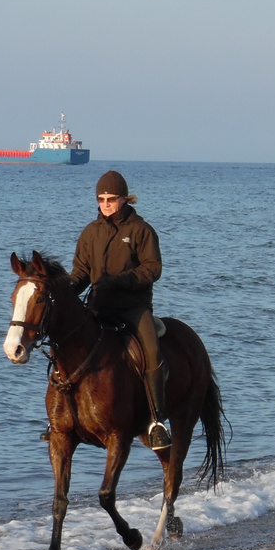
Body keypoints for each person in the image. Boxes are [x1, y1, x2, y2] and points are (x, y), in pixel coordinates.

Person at [67, 170, 171, 451]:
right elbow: (81, 272)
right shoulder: (90, 232)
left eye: (111, 199)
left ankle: (158, 421)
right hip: (99, 306)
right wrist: (65, 290)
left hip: (134, 308)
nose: (106, 204)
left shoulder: (141, 230)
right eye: (101, 199)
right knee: (67, 346)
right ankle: (62, 418)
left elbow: (153, 268)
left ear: (124, 199)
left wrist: (120, 281)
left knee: (151, 352)